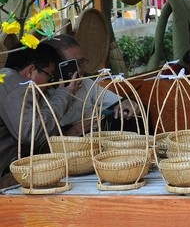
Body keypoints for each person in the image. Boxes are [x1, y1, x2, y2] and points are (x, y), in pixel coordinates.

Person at [0, 43, 82, 185]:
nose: (49, 83)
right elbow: (31, 133)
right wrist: (64, 95)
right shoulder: (14, 84)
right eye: (49, 76)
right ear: (31, 71)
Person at [45, 34, 142, 135]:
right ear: (54, 67)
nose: (79, 69)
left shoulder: (86, 83)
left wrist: (128, 104)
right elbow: (43, 145)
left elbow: (119, 102)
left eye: (81, 61)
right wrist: (77, 130)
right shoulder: (42, 93)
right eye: (71, 64)